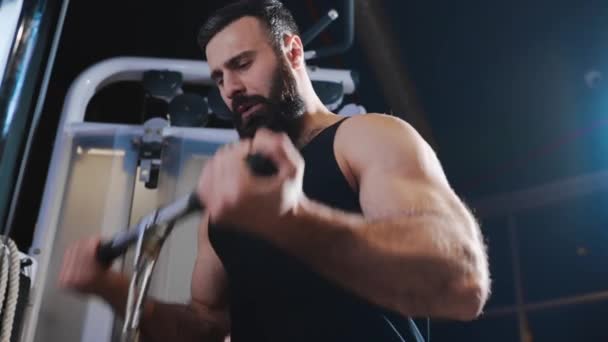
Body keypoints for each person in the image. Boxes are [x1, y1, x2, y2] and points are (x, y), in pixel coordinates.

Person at [58, 1, 490, 341]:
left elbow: (460, 277)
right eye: (219, 78)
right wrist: (111, 290)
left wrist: (289, 220)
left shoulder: (364, 137)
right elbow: (207, 329)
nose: (231, 89)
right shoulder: (225, 208)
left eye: (242, 64)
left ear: (293, 51)